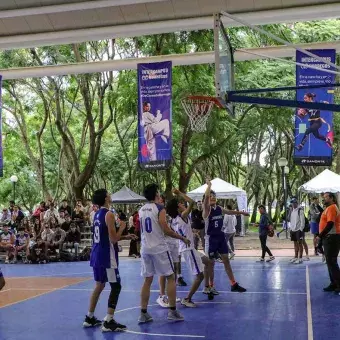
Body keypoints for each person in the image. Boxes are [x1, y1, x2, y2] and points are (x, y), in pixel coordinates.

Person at [83, 189, 137, 332]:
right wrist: (123, 228)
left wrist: (125, 236)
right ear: (106, 198)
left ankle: (89, 317)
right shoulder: (109, 214)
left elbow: (105, 235)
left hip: (96, 254)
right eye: (108, 193)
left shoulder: (95, 214)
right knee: (116, 286)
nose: (110, 195)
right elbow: (113, 238)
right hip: (107, 256)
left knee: (99, 285)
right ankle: (109, 320)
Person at [138, 183, 190, 323]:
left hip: (145, 249)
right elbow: (166, 229)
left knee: (147, 280)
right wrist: (182, 237)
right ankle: (172, 311)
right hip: (159, 248)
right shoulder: (159, 208)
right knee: (171, 277)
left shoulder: (141, 209)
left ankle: (143, 313)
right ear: (156, 194)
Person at [167, 189, 213, 307]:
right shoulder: (182, 215)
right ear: (178, 207)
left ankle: (207, 287)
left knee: (208, 262)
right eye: (181, 204)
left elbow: (181, 231)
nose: (183, 204)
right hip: (188, 250)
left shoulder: (174, 220)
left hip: (188, 248)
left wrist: (192, 232)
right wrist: (179, 193)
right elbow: (192, 202)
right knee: (200, 276)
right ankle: (187, 299)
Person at [202, 179, 248, 293]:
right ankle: (210, 286)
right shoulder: (206, 210)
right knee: (210, 264)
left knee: (226, 260)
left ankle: (233, 284)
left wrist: (241, 213)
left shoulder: (219, 208)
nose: (212, 197)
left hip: (220, 237)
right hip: (211, 239)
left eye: (214, 196)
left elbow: (230, 212)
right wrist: (209, 185)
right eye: (210, 196)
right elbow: (206, 198)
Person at [316, 192, 340, 295]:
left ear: (331, 198)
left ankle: (339, 285)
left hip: (332, 237)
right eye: (324, 197)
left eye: (326, 197)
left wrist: (319, 236)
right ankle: (333, 283)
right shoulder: (328, 208)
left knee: (332, 262)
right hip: (328, 237)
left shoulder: (332, 208)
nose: (324, 198)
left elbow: (330, 224)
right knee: (330, 262)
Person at [289, 198, 305, 264]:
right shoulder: (292, 210)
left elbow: (302, 221)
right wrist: (291, 229)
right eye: (292, 203)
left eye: (294, 202)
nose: (293, 204)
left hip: (299, 230)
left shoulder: (300, 210)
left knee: (300, 244)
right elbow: (291, 220)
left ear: (296, 203)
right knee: (295, 244)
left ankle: (300, 258)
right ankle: (296, 257)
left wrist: (301, 229)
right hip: (293, 230)